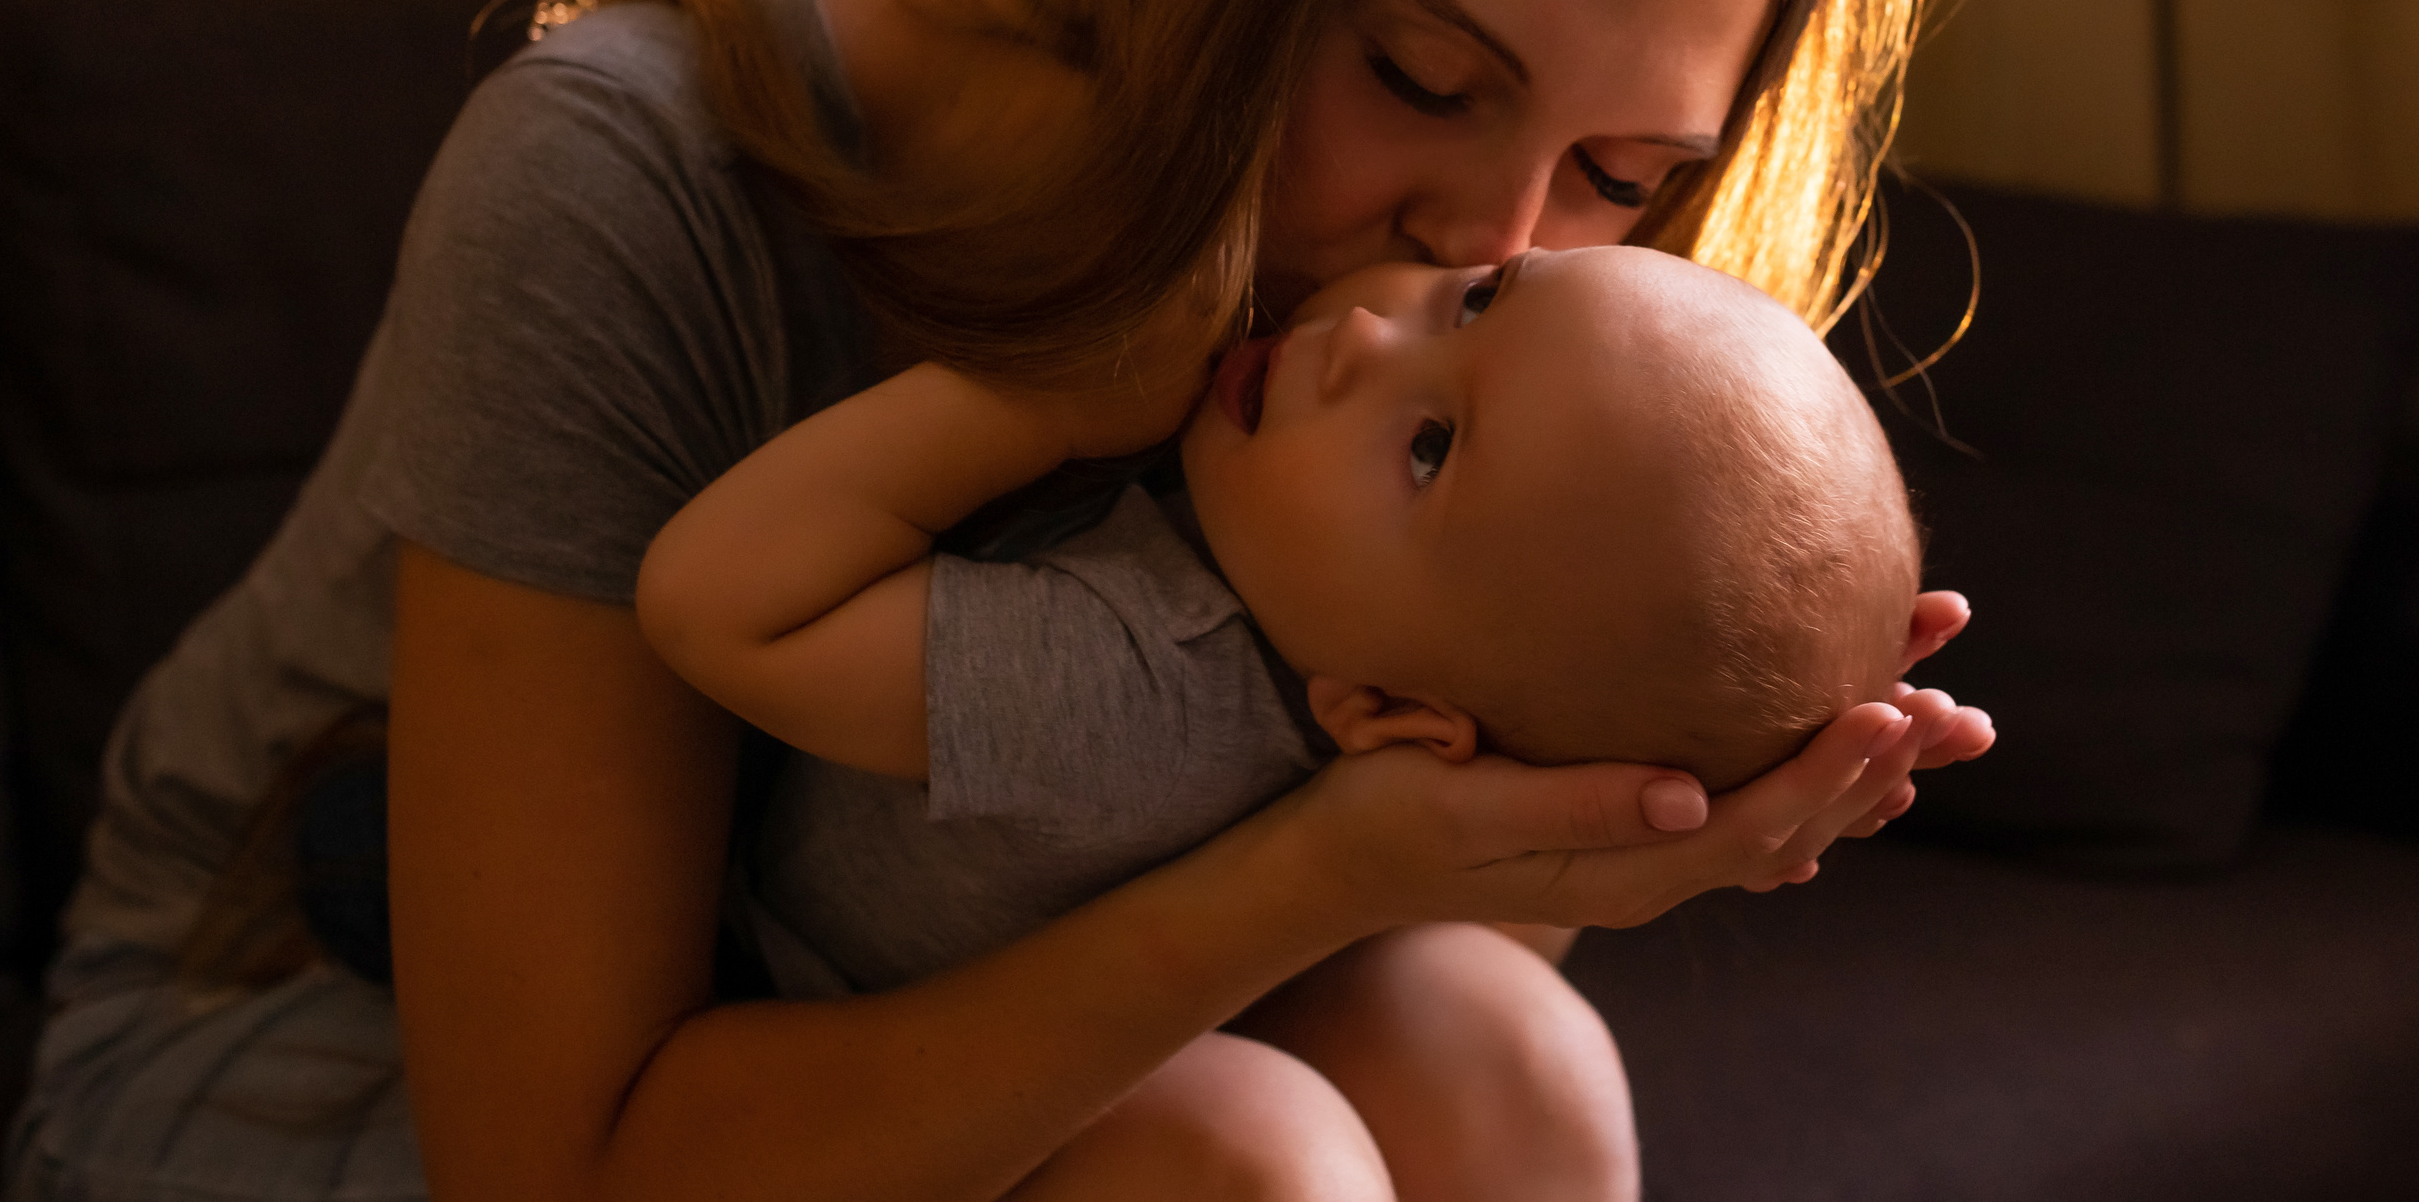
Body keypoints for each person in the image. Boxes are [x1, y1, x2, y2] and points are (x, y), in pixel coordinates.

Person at [5, 0, 1994, 1200]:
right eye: (1418, 75)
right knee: (1244, 1156)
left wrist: (1614, 822)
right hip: (311, 1033)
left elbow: (1417, 864)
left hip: (894, 1000)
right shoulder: (629, 180)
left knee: (1503, 1053)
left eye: (1625, 174)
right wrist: (1321, 866)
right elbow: (561, 1165)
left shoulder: (1471, 333)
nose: (1480, 243)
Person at [634, 243, 1940, 1196]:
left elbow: (722, 609)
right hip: (893, 1092)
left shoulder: (1145, 674)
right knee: (1298, 1138)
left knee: (1507, 1053)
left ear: (1394, 720)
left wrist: (1042, 393)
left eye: (1429, 445)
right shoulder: (1410, 667)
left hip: (935, 1062)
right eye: (1479, 295)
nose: (1370, 332)